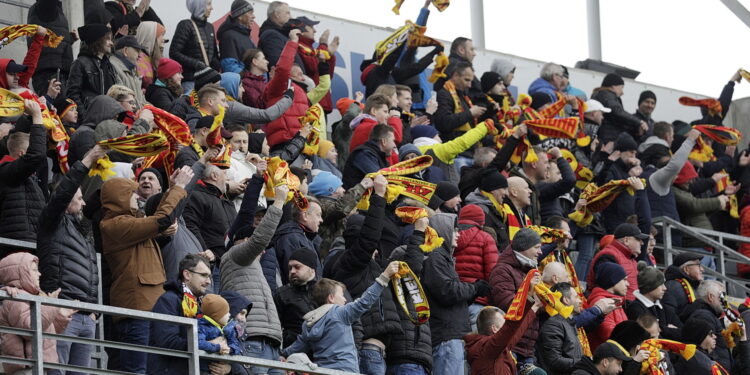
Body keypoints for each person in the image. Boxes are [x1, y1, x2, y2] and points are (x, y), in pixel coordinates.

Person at [100, 167, 192, 374]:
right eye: (133, 194)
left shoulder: (130, 222)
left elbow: (159, 217)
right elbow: (162, 220)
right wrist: (179, 188)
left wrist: (170, 189)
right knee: (138, 370)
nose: (138, 197)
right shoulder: (115, 225)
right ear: (120, 197)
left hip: (147, 307)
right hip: (137, 310)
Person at [37, 145, 105, 374]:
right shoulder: (52, 222)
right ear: (65, 199)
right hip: (63, 314)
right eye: (79, 198)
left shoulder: (79, 232)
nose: (83, 203)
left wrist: (94, 310)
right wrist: (88, 159)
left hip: (86, 318)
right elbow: (62, 194)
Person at [325, 175, 403, 375]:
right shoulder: (349, 262)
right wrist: (378, 196)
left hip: (379, 352)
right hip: (369, 351)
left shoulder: (367, 265)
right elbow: (369, 237)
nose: (375, 247)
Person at [280, 262, 401, 373]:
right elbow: (365, 302)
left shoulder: (308, 323)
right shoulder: (339, 313)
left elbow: (294, 348)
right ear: (331, 298)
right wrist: (384, 276)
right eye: (342, 295)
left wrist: (279, 355)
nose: (344, 299)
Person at [221, 182, 288, 375]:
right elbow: (260, 239)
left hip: (270, 345)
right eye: (252, 241)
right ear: (241, 242)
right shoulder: (235, 255)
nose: (262, 249)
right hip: (251, 340)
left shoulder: (253, 266)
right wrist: (279, 202)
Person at [422, 212, 488, 375]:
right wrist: (474, 288)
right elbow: (446, 290)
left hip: (452, 334)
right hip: (446, 336)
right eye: (454, 230)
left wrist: (472, 291)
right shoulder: (435, 257)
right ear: (442, 231)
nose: (459, 234)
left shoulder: (443, 258)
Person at [148, 254, 228, 375]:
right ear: (187, 275)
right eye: (203, 275)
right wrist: (207, 345)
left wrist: (227, 366)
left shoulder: (201, 304)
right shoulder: (169, 300)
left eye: (209, 277)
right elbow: (168, 342)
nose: (208, 282)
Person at [0, 252, 74, 375]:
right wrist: (51, 306)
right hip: (27, 368)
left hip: (34, 365)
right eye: (34, 270)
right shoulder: (16, 298)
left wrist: (60, 317)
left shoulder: (30, 297)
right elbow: (31, 329)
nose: (39, 274)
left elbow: (43, 329)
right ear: (21, 274)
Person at [489, 228, 543, 369]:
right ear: (524, 247)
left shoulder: (529, 271)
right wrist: (530, 293)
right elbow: (508, 305)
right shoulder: (502, 270)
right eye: (537, 247)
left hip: (528, 348)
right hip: (511, 345)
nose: (540, 252)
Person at [183, 163, 238, 289]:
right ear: (214, 175)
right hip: (211, 268)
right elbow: (191, 227)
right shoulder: (196, 196)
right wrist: (207, 254)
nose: (228, 179)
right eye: (225, 174)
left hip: (230, 268)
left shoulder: (227, 202)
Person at [464, 289, 542, 375]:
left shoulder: (498, 347)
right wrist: (527, 298)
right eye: (504, 323)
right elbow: (511, 327)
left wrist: (536, 306)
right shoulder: (487, 347)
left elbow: (518, 330)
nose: (506, 326)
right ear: (494, 329)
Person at [0, 101, 46, 248]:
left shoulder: (26, 178)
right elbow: (36, 156)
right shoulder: (6, 172)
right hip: (19, 246)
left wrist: (27, 116)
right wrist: (37, 117)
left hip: (31, 243)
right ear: (21, 154)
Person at [434, 61, 486, 169]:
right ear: (456, 76)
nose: (469, 85)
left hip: (469, 152)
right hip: (455, 154)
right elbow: (444, 122)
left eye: (471, 81)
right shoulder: (444, 94)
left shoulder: (464, 96)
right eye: (466, 80)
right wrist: (470, 113)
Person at [453, 204, 498, 327]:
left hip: (453, 299)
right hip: (477, 299)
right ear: (481, 222)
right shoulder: (485, 238)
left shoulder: (449, 236)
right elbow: (492, 273)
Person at [680, 280, 733, 372]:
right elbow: (707, 349)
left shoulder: (709, 315)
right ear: (711, 297)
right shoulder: (704, 316)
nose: (725, 300)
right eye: (722, 295)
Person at [587, 223, 648, 300]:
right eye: (638, 239)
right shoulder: (608, 255)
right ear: (626, 240)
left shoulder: (631, 258)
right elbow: (607, 289)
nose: (642, 243)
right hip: (615, 309)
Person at [170, 0, 220, 92]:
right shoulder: (185, 25)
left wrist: (216, 71)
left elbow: (214, 56)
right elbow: (174, 53)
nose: (211, 8)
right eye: (208, 4)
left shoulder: (210, 27)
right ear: (199, 6)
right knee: (193, 106)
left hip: (208, 81)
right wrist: (196, 64)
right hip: (191, 81)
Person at [68, 23, 116, 118]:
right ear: (97, 40)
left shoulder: (109, 66)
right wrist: (85, 117)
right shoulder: (80, 63)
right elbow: (73, 94)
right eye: (107, 39)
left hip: (108, 118)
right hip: (90, 119)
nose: (111, 43)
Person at [273, 249, 319, 347]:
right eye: (290, 268)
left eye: (297, 267)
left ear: (312, 269)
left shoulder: (328, 289)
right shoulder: (281, 294)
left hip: (324, 351)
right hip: (293, 351)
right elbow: (274, 326)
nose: (292, 271)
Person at [625, 262, 682, 340]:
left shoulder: (663, 307)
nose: (665, 288)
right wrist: (670, 330)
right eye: (660, 284)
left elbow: (683, 333)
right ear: (650, 287)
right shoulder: (636, 309)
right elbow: (649, 336)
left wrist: (662, 329)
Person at [538, 282, 584, 375]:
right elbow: (554, 361)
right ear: (566, 300)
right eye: (576, 297)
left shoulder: (569, 323)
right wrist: (584, 363)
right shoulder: (554, 325)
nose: (580, 301)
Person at [592, 73, 647, 143]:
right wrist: (639, 122)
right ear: (613, 86)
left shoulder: (604, 95)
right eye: (621, 88)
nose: (622, 92)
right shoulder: (607, 95)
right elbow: (617, 111)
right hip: (607, 140)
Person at [587, 262, 629, 349]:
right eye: (624, 280)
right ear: (613, 280)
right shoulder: (601, 302)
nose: (627, 284)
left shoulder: (616, 300)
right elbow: (610, 335)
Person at [342, 124, 396, 189]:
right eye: (393, 141)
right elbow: (381, 180)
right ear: (384, 141)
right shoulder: (364, 154)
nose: (394, 145)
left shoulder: (377, 155)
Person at [197, 294, 242, 370]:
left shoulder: (229, 327)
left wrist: (230, 349)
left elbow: (236, 345)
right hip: (204, 368)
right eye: (226, 313)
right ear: (216, 315)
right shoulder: (202, 326)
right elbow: (198, 343)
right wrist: (218, 347)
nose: (229, 314)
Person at [259, 1, 304, 69]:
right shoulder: (271, 35)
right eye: (287, 13)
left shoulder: (280, 34)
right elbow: (277, 63)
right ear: (277, 14)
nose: (291, 17)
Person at [663, 253, 704, 325]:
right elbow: (671, 316)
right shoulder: (673, 286)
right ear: (686, 269)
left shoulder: (691, 285)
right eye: (698, 265)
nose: (702, 269)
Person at [218, 0, 256, 73]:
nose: (254, 16)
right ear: (240, 16)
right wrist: (249, 78)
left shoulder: (246, 35)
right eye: (250, 13)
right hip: (241, 83)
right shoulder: (228, 36)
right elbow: (229, 66)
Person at [110, 35, 147, 107]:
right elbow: (122, 102)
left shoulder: (132, 68)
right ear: (125, 50)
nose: (140, 55)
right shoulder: (113, 67)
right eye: (137, 51)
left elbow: (142, 101)